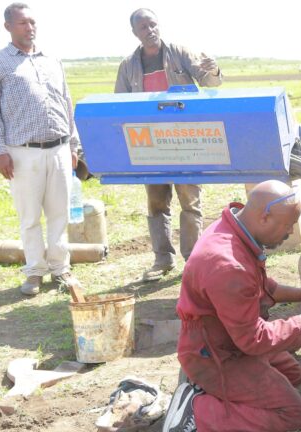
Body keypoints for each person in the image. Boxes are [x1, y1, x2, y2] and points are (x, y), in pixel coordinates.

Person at [162, 180, 301, 432]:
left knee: (292, 373)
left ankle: (221, 392)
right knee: (294, 414)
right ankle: (196, 411)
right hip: (215, 354)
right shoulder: (228, 265)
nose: (289, 233)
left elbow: (264, 287)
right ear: (265, 217)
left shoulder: (235, 230)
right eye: (287, 226)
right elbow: (253, 340)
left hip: (231, 338)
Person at [0, 3, 82, 296]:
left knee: (59, 213)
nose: (30, 27)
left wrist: (73, 144)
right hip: (22, 152)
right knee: (29, 217)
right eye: (23, 23)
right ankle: (35, 271)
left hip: (59, 148)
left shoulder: (52, 59)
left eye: (33, 22)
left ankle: (60, 269)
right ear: (8, 27)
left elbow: (66, 102)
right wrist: (0, 150)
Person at [115, 8, 223, 282]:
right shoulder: (128, 65)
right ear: (134, 33)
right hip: (148, 143)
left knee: (190, 200)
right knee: (156, 202)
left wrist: (214, 71)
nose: (149, 30)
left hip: (184, 138)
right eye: (143, 27)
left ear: (158, 25)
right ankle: (162, 259)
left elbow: (209, 82)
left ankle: (193, 260)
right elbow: (119, 104)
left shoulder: (179, 53)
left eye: (152, 24)